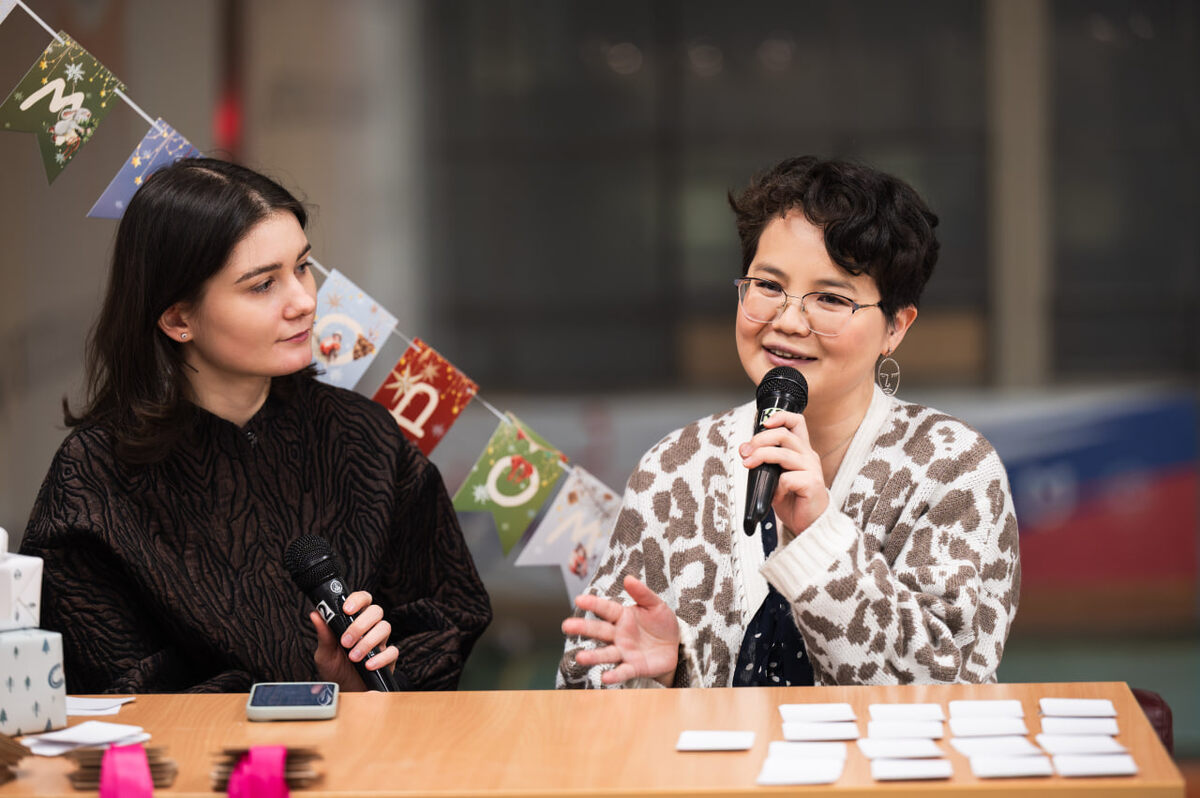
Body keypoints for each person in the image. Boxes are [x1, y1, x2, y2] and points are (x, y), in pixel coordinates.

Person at [20, 158, 492, 693]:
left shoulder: (364, 436)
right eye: (263, 285)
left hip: (371, 747)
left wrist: (364, 684)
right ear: (178, 318)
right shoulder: (94, 477)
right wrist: (298, 698)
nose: (305, 301)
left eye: (303, 267)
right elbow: (105, 691)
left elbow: (447, 613)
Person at [559, 156, 1019, 689]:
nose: (789, 321)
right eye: (769, 286)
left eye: (831, 298)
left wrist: (820, 536)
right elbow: (577, 688)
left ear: (896, 325)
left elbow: (947, 686)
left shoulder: (953, 468)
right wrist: (666, 673)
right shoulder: (675, 466)